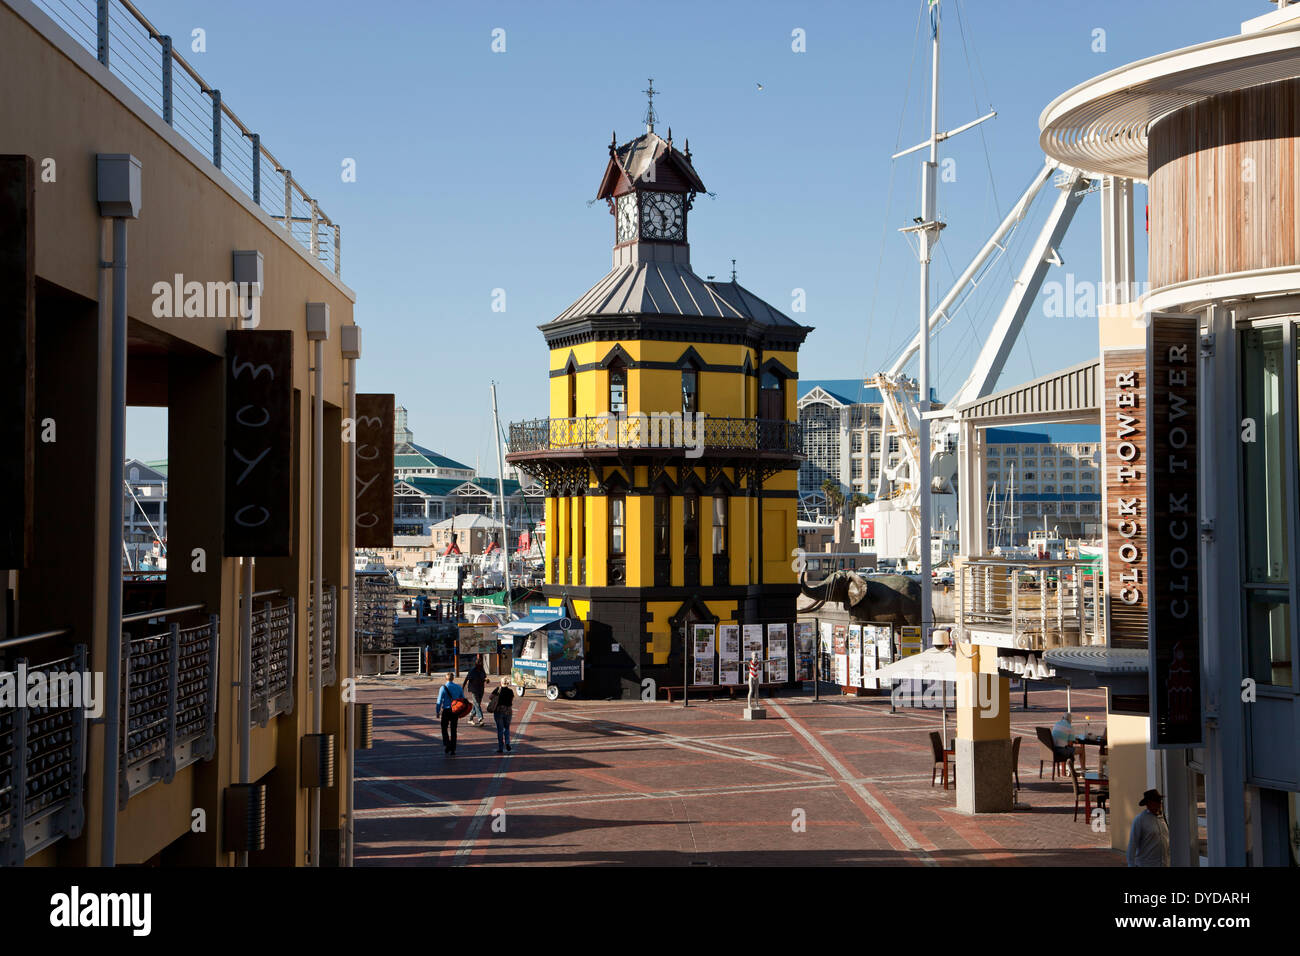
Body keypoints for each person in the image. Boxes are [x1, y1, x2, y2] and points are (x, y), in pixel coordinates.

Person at [1127, 788, 1170, 867]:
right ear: (1148, 804)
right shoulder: (1140, 820)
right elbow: (1132, 844)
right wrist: (1131, 864)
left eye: (1159, 801)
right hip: (1146, 864)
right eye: (1156, 801)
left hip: (1164, 864)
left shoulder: (1163, 819)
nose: (1159, 804)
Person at [435, 671, 464, 756]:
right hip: (455, 710)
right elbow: (462, 698)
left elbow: (439, 701)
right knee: (453, 729)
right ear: (453, 678)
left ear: (446, 678)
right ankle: (453, 748)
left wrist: (437, 711)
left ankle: (447, 744)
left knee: (444, 727)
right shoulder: (458, 687)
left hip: (446, 710)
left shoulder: (443, 688)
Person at [489, 680, 515, 753]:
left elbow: (490, 697)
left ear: (501, 682)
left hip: (499, 710)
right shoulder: (510, 691)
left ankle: (500, 747)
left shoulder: (498, 689)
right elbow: (511, 700)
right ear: (508, 683)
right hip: (508, 711)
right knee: (507, 728)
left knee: (500, 729)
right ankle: (507, 743)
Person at [464, 655, 488, 726]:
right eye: (480, 664)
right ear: (476, 664)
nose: (481, 665)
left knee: (476, 704)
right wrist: (462, 687)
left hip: (481, 689)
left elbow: (483, 678)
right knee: (477, 704)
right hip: (474, 690)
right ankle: (480, 719)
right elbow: (466, 679)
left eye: (482, 664)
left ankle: (470, 718)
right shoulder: (472, 671)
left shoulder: (482, 670)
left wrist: (486, 680)